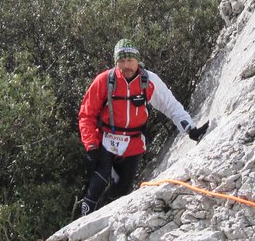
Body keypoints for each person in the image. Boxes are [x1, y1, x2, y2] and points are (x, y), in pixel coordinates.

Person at [77, 39, 208, 216]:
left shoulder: (148, 81)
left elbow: (170, 105)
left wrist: (191, 129)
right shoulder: (105, 80)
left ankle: (107, 217)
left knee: (122, 190)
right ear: (116, 62)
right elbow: (87, 114)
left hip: (133, 144)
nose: (126, 66)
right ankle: (83, 222)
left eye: (130, 60)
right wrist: (91, 144)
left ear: (137, 60)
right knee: (98, 180)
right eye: (121, 61)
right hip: (106, 141)